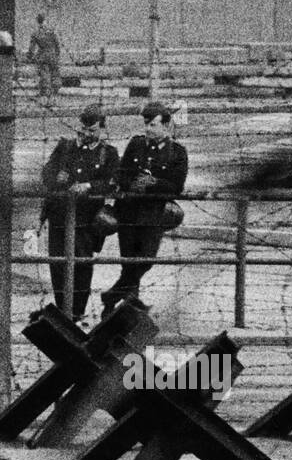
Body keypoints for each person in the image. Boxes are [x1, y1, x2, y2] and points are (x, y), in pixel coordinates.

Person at [99, 101, 189, 318]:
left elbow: (177, 186)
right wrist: (132, 184)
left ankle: (112, 296)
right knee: (128, 262)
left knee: (145, 260)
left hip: (153, 215)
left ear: (166, 126)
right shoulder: (136, 145)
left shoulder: (177, 152)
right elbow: (122, 173)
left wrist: (153, 183)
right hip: (128, 212)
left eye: (154, 125)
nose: (148, 129)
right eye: (147, 124)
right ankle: (126, 309)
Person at [36, 104, 119, 320]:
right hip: (59, 215)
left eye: (92, 130)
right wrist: (57, 178)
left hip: (87, 220)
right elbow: (47, 173)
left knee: (82, 264)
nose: (87, 134)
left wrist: (89, 186)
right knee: (57, 263)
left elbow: (111, 182)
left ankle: (77, 312)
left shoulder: (108, 153)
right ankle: (64, 310)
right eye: (84, 129)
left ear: (101, 130)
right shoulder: (65, 147)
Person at [25, 12, 62, 105]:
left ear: (37, 21)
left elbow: (31, 49)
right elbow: (58, 45)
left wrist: (29, 58)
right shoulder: (52, 31)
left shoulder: (35, 33)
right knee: (55, 77)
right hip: (53, 57)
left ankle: (44, 100)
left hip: (42, 57)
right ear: (45, 20)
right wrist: (56, 55)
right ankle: (54, 99)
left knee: (44, 78)